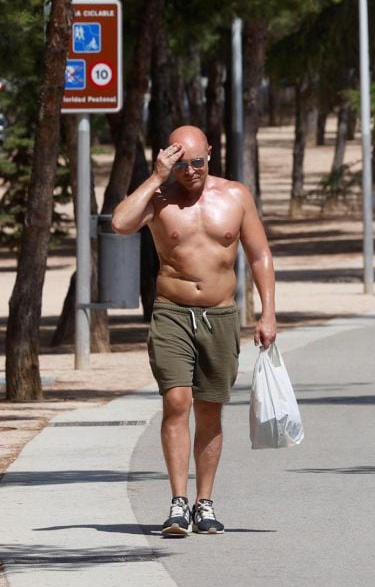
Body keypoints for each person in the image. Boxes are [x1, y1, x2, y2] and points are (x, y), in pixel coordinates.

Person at [112, 125, 276, 537]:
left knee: (209, 409)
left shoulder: (236, 196)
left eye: (197, 161)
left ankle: (205, 502)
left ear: (210, 156)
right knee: (177, 402)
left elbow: (259, 255)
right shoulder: (159, 198)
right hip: (171, 313)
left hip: (220, 316)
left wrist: (268, 313)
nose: (191, 171)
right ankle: (177, 503)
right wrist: (155, 177)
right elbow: (120, 223)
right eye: (181, 163)